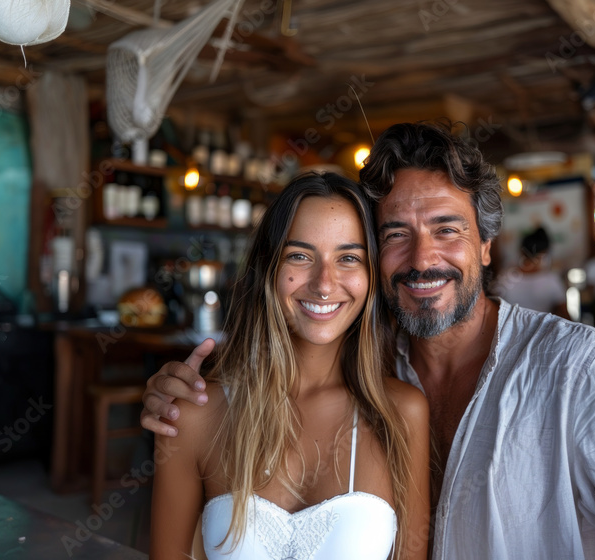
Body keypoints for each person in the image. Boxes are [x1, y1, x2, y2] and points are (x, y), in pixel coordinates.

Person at [142, 124, 595, 560]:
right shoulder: (371, 366)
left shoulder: (574, 369)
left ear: (484, 243)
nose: (423, 258)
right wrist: (182, 387)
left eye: (447, 229)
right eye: (395, 235)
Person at [150, 173, 430, 560]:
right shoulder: (194, 414)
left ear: (371, 278)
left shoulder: (401, 413)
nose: (324, 284)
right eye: (299, 255)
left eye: (349, 258)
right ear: (268, 269)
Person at [496, 226, 568, 315]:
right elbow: (565, 316)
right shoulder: (552, 280)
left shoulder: (506, 277)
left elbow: (495, 309)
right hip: (543, 329)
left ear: (521, 251)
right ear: (545, 254)